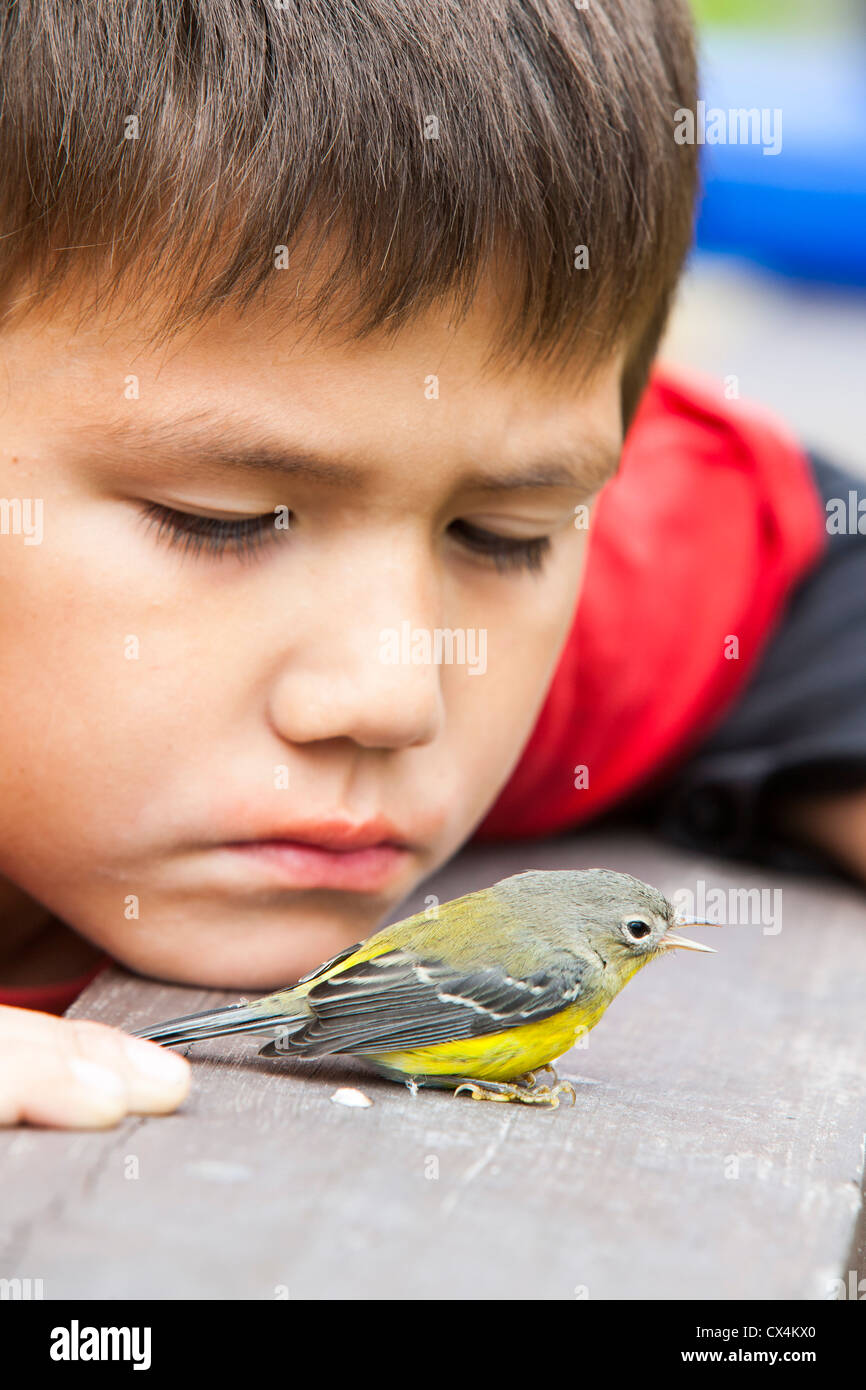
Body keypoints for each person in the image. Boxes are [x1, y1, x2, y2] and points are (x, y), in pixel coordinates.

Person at [0, 1, 861, 1128]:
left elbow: (810, 568)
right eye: (221, 517)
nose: (394, 694)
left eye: (504, 535)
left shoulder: (569, 621)